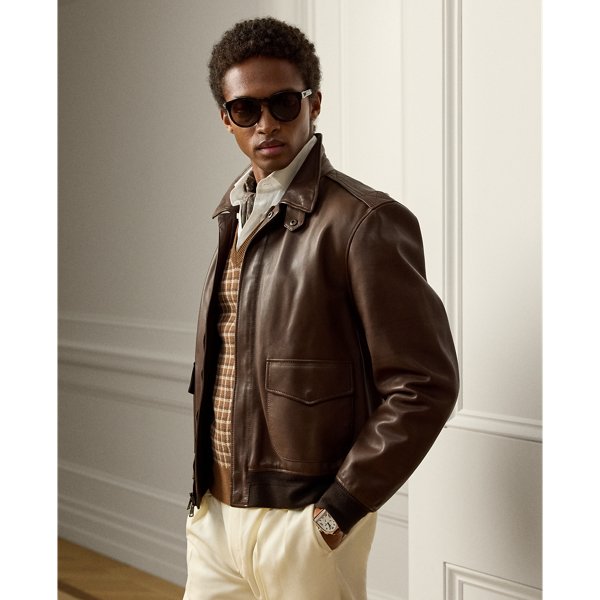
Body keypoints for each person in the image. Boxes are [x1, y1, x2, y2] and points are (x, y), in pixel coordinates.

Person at [184, 16, 459, 600]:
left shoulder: (363, 221)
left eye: (283, 103)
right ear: (226, 118)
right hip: (214, 517)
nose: (266, 124)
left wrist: (337, 513)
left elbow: (424, 383)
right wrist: (205, 506)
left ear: (313, 104)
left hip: (304, 521)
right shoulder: (232, 216)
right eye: (246, 109)